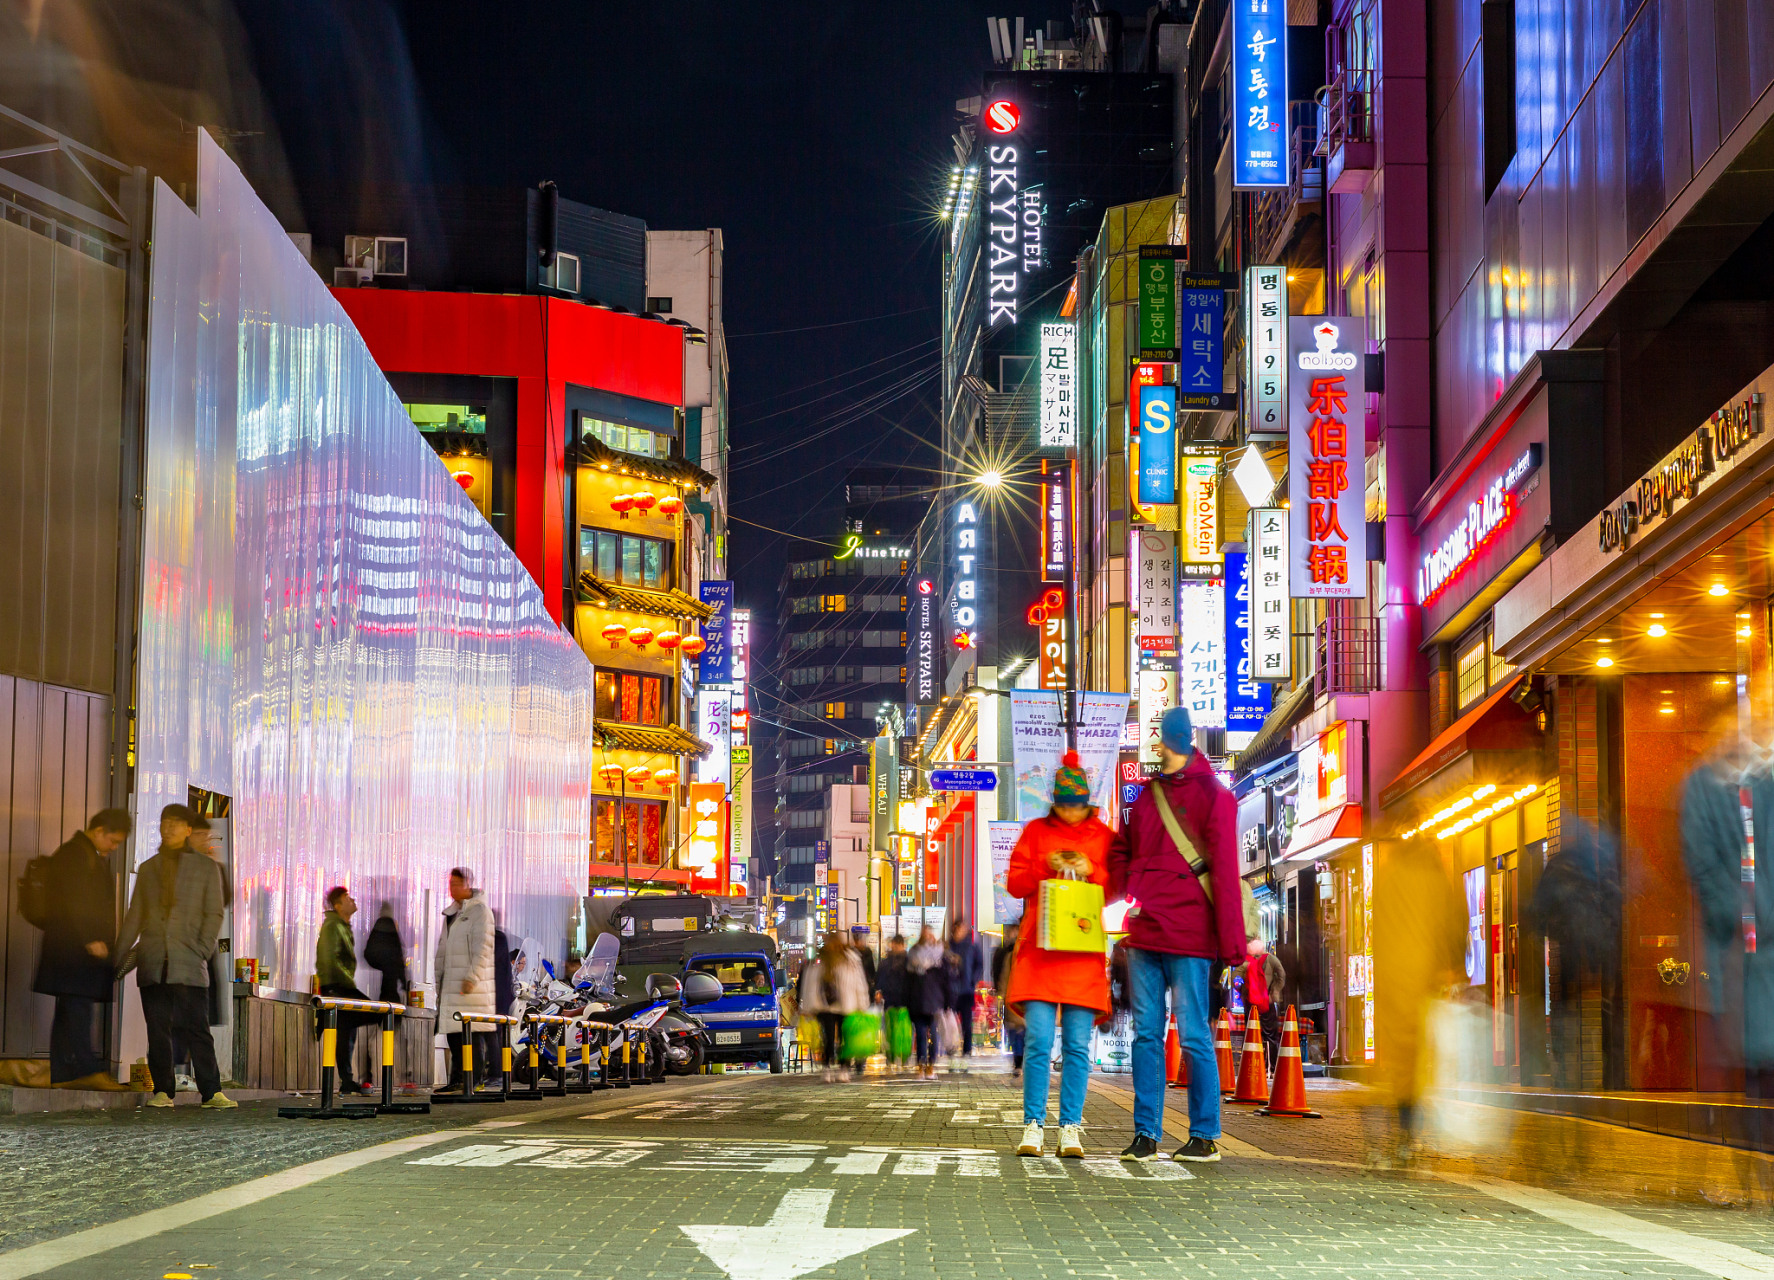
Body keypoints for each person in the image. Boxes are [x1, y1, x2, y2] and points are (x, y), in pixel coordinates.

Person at [1108, 705, 1245, 1162]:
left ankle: (1203, 1134)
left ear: (1182, 742)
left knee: (1191, 1035)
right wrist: (1099, 892)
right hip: (1147, 930)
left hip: (1188, 933)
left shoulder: (1213, 796)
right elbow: (1123, 852)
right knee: (1148, 1035)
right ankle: (1146, 1134)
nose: (1162, 747)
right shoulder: (1148, 797)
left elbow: (1225, 872)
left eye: (1168, 740)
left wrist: (1232, 945)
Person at [1006, 751, 1114, 1158]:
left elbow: (1118, 885)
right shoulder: (1036, 832)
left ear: (1087, 802)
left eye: (1077, 806)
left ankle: (1070, 1126)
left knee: (1076, 1046)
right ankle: (1032, 1124)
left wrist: (1093, 870)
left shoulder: (1103, 837)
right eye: (1065, 806)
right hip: (1040, 951)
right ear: (1055, 802)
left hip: (1082, 954)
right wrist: (1044, 865)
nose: (1071, 813)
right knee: (1037, 1040)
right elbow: (1015, 883)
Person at [115, 803, 235, 1108]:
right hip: (153, 961)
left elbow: (214, 913)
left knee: (198, 1029)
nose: (168, 828)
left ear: (188, 830)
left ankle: (212, 1091)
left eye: (175, 824)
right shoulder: (149, 868)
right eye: (164, 823)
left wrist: (202, 948)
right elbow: (135, 915)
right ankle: (163, 1091)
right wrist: (118, 955)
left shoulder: (206, 868)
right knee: (158, 1031)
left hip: (190, 962)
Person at [31, 808, 131, 1086]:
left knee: (70, 1009)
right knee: (78, 1008)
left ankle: (63, 1072)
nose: (114, 847)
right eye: (113, 840)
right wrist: (90, 938)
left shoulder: (82, 853)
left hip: (71, 950)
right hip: (75, 951)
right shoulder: (75, 854)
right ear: (99, 831)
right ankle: (87, 1070)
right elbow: (74, 900)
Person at [433, 867, 495, 1094]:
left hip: (470, 987)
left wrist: (472, 977)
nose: (452, 888)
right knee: (453, 1033)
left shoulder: (480, 912)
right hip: (451, 983)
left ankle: (474, 1079)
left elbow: (483, 948)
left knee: (471, 1033)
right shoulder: (452, 914)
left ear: (468, 885)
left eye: (457, 884)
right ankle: (457, 1078)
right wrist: (439, 979)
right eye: (450, 884)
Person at [316, 886, 377, 1094]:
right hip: (337, 987)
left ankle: (347, 1080)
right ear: (338, 906)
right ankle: (346, 1079)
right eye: (347, 898)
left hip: (342, 985)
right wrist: (347, 984)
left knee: (347, 1032)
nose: (353, 900)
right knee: (368, 1015)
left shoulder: (342, 926)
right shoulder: (332, 926)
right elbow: (329, 959)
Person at [799, 932, 869, 1081]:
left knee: (844, 1038)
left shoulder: (849, 959)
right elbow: (810, 982)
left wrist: (862, 1003)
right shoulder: (821, 959)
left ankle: (842, 1068)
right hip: (826, 1005)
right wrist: (807, 1006)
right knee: (829, 1039)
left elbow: (859, 982)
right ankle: (829, 1068)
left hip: (845, 1004)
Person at [907, 924, 949, 1078]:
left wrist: (946, 1002)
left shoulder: (939, 957)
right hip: (920, 1001)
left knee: (931, 1035)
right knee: (922, 1034)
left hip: (932, 1001)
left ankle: (929, 1065)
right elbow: (908, 982)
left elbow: (946, 982)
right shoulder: (914, 954)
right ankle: (923, 1065)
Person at [945, 919, 983, 1059]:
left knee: (967, 1023)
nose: (962, 931)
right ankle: (951, 1048)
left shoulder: (972, 946)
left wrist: (973, 979)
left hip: (967, 990)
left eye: (964, 928)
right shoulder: (948, 946)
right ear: (954, 929)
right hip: (951, 990)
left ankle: (967, 1050)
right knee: (950, 1022)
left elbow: (979, 964)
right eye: (960, 928)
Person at [991, 919, 1024, 1076]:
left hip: (1022, 998)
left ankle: (1020, 1064)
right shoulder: (1007, 953)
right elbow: (1003, 976)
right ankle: (1019, 1063)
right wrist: (1001, 994)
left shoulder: (1017, 953)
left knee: (1021, 1032)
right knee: (1015, 1032)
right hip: (1013, 998)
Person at [877, 934, 911, 1070]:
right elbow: (880, 978)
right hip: (895, 1000)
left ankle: (899, 1057)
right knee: (896, 1031)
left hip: (901, 1001)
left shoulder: (892, 962)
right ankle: (896, 1057)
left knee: (899, 1031)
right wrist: (879, 991)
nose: (895, 947)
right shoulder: (903, 961)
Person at [363, 903, 408, 1003]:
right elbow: (397, 953)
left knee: (386, 992)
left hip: (385, 968)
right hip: (391, 969)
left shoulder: (379, 925)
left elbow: (368, 951)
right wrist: (404, 981)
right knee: (391, 993)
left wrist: (380, 963)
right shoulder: (389, 924)